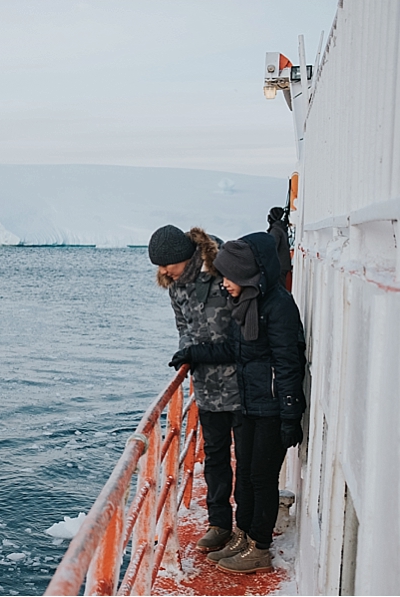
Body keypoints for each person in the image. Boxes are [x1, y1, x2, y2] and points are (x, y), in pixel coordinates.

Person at [169, 232, 306, 574]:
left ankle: (259, 547)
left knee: (261, 476)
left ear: (246, 275)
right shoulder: (246, 306)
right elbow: (233, 351)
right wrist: (192, 353)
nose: (224, 283)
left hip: (271, 407)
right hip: (250, 402)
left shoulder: (277, 306)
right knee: (246, 473)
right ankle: (244, 536)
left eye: (228, 277)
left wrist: (291, 414)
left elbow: (290, 362)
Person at [147, 224, 243, 554]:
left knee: (245, 460)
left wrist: (196, 352)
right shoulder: (176, 289)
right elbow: (184, 329)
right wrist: (187, 354)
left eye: (166, 264)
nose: (162, 272)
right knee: (215, 458)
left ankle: (245, 530)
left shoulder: (222, 271)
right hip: (207, 387)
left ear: (183, 257)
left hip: (244, 383)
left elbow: (245, 328)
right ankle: (219, 525)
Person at [267, 207, 291, 287]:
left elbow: (272, 248)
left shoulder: (275, 230)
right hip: (284, 266)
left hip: (279, 267)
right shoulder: (282, 229)